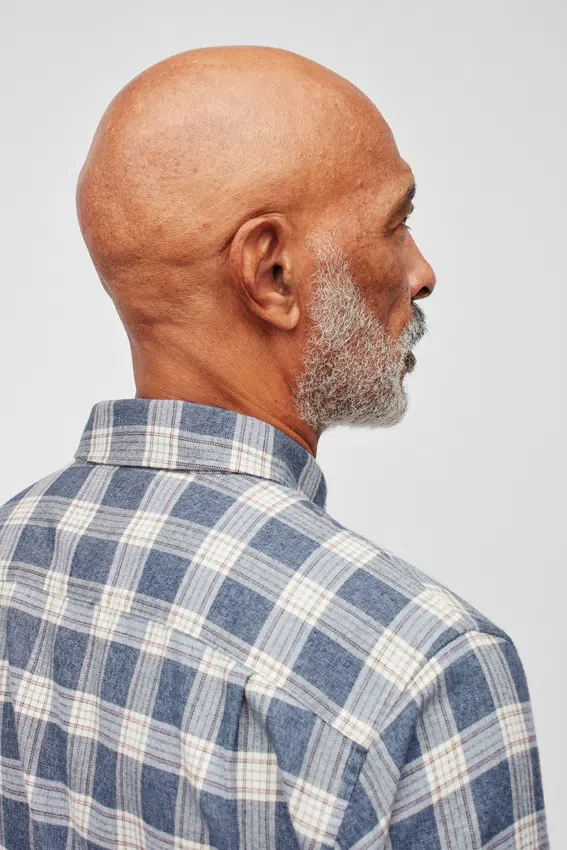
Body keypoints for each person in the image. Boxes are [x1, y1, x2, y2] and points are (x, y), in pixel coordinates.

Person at [0, 45, 548, 849]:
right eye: (395, 223)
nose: (421, 271)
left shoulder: (12, 552)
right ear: (273, 274)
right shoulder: (422, 665)